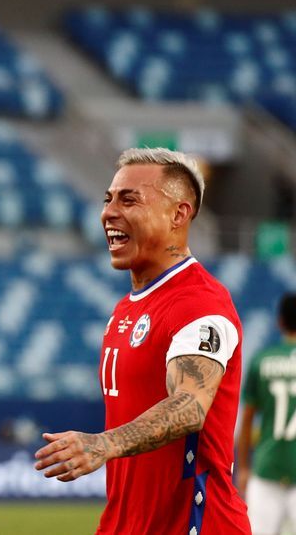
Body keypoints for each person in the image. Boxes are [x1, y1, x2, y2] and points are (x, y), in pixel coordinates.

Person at [34, 148, 249, 534]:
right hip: (126, 523)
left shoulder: (198, 302)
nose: (108, 212)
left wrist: (103, 444)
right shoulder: (126, 309)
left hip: (192, 524)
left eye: (129, 199)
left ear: (178, 214)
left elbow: (189, 406)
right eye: (108, 199)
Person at [235, 292, 296, 535]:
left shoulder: (262, 360)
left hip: (267, 467)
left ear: (279, 321)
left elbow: (247, 419)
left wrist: (243, 468)